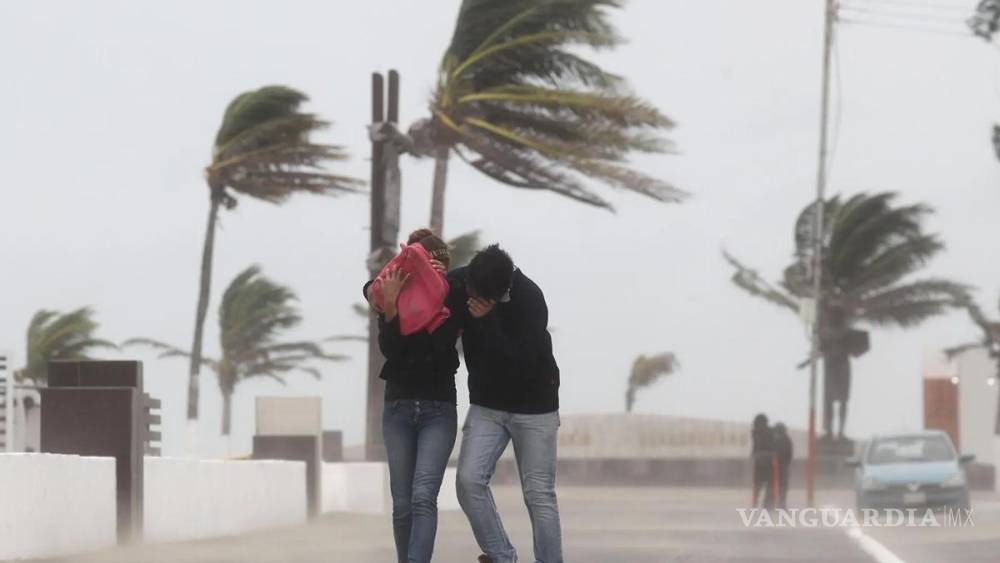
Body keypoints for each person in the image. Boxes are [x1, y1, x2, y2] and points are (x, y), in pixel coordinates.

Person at [449, 245, 562, 563]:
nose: (468, 293)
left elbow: (519, 361)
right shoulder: (468, 280)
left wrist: (487, 319)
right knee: (469, 480)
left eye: (477, 295)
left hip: (536, 406)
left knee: (539, 494)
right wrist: (375, 289)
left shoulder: (531, 299)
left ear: (496, 294)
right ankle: (502, 556)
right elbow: (434, 287)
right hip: (487, 405)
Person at [363, 228, 463, 563]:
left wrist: (434, 303)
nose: (437, 276)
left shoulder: (451, 304)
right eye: (430, 268)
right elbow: (391, 350)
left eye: (443, 271)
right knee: (402, 503)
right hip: (398, 409)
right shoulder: (394, 300)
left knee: (423, 497)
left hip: (438, 409)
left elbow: (437, 351)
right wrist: (391, 308)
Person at [751, 413, 774, 509]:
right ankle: (767, 504)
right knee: (769, 484)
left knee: (758, 484)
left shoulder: (754, 432)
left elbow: (755, 446)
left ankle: (756, 502)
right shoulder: (770, 432)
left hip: (759, 460)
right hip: (768, 460)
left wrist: (754, 455)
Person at [773, 422, 793, 510]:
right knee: (783, 486)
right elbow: (790, 454)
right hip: (784, 466)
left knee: (776, 486)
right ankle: (782, 503)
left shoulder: (776, 440)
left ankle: (776, 503)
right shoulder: (787, 439)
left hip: (777, 467)